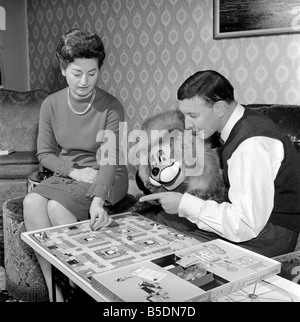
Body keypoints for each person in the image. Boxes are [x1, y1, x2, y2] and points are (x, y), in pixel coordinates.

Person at [140, 70, 300, 258]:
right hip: (255, 224)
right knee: (162, 231)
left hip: (267, 234)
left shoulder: (250, 146)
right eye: (185, 116)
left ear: (219, 109)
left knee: (173, 249)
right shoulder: (240, 124)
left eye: (193, 115)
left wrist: (185, 204)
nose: (188, 124)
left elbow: (245, 224)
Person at [23, 28, 128, 301]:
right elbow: (45, 154)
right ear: (62, 69)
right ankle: (55, 291)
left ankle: (79, 288)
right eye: (76, 73)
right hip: (73, 172)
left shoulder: (112, 106)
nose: (84, 81)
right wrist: (73, 171)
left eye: (92, 73)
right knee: (31, 203)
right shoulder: (51, 104)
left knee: (57, 207)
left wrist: (98, 200)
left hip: (108, 174)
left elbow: (111, 157)